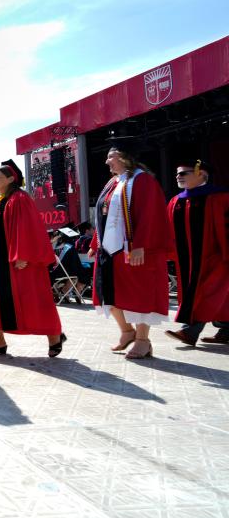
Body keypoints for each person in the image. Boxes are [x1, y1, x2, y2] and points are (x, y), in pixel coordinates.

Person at [0, 160, 67, 357]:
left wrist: (22, 254)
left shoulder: (19, 198)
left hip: (17, 262)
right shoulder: (0, 201)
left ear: (10, 179)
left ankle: (55, 336)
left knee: (33, 301)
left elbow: (27, 228)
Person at [89, 141, 173, 359]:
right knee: (108, 293)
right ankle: (127, 332)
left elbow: (150, 216)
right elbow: (103, 216)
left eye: (112, 156)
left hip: (133, 250)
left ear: (126, 157)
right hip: (109, 250)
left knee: (140, 294)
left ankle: (143, 340)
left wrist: (140, 245)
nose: (107, 161)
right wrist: (94, 243)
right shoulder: (113, 182)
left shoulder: (142, 180)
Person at [164, 159, 229, 347]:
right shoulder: (176, 201)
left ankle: (189, 331)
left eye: (183, 173)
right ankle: (226, 330)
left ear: (201, 174)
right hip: (186, 260)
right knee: (217, 296)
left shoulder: (221, 197)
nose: (178, 176)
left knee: (205, 294)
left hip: (216, 258)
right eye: (177, 173)